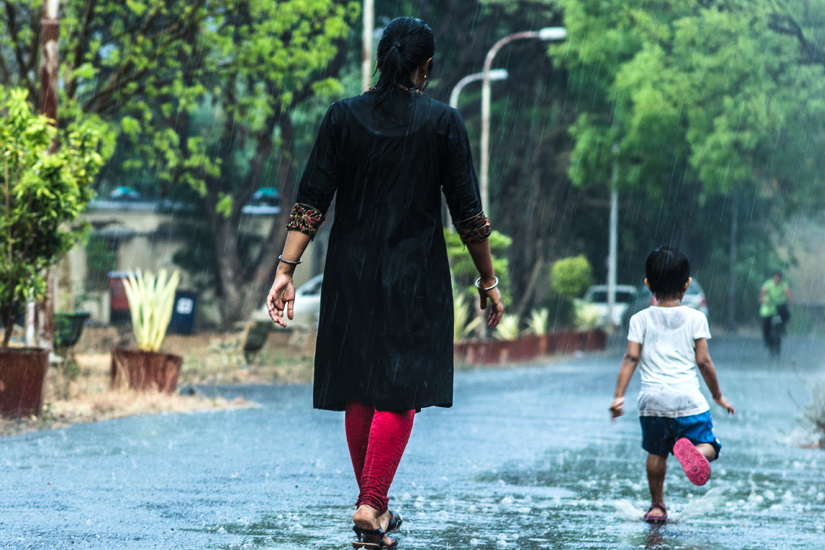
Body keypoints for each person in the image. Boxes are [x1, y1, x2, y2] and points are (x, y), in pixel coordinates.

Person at [266, 17, 504, 549]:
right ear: (426, 68)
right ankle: (372, 505)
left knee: (359, 385)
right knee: (400, 388)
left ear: (381, 59)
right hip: (414, 274)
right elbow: (470, 216)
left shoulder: (341, 117)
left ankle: (374, 506)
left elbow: (312, 202)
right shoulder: (443, 123)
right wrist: (487, 281)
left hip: (351, 271)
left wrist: (286, 270)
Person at [609, 247, 735, 524]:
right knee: (711, 445)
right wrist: (718, 395)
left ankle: (657, 506)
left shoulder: (639, 319)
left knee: (656, 452)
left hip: (652, 402)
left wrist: (619, 396)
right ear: (687, 284)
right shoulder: (696, 318)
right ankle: (696, 452)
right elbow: (704, 362)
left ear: (648, 285)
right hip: (688, 400)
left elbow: (631, 357)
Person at [759, 270, 793, 354]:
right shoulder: (768, 284)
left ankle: (782, 328)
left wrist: (790, 301)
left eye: (779, 278)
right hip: (769, 307)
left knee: (785, 315)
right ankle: (766, 340)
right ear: (773, 277)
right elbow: (763, 293)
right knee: (766, 325)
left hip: (780, 306)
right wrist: (762, 299)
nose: (777, 280)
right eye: (776, 278)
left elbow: (788, 293)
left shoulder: (783, 285)